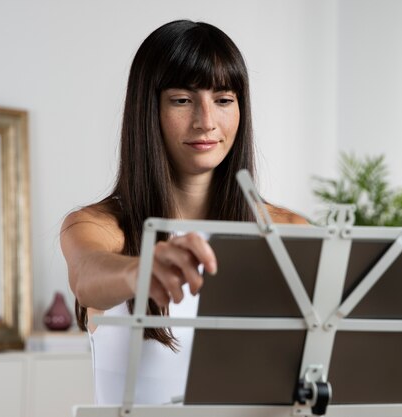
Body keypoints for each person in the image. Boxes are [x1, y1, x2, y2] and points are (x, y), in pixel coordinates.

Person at [60, 19, 308, 405]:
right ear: (149, 110)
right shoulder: (98, 226)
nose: (206, 121)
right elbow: (86, 275)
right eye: (182, 100)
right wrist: (141, 269)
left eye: (224, 100)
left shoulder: (287, 228)